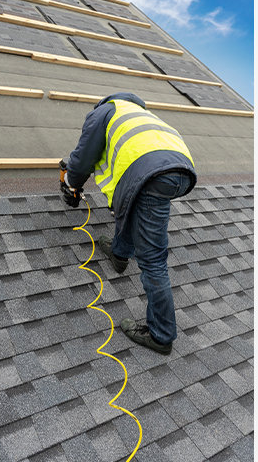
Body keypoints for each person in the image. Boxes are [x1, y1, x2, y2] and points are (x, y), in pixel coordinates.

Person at [61, 92, 197, 355]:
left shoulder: (104, 111)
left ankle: (161, 335)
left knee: (153, 260)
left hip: (153, 173)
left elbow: (83, 158)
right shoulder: (139, 113)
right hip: (181, 170)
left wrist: (71, 185)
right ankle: (119, 253)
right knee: (137, 208)